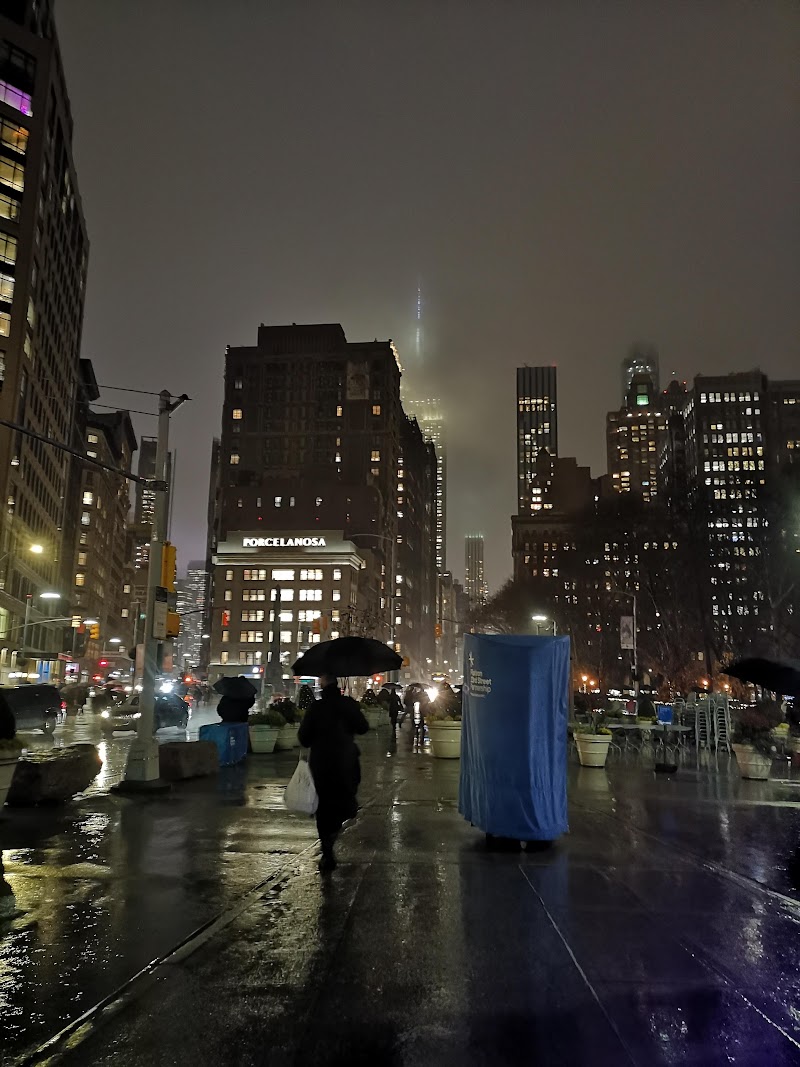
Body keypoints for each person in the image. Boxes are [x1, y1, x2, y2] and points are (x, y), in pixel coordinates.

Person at [298, 673, 369, 872]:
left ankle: (327, 850)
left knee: (323, 806)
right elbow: (363, 727)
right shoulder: (348, 704)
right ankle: (332, 835)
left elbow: (304, 738)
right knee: (344, 800)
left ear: (322, 685)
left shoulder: (316, 708)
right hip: (346, 761)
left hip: (321, 762)